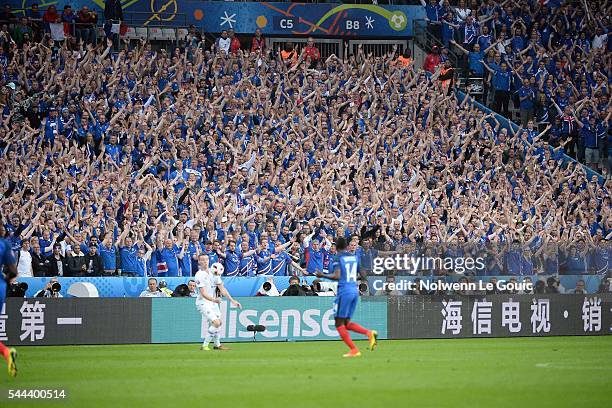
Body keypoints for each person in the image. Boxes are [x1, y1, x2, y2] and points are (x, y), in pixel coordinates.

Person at [316, 237, 378, 358]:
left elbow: (337, 276)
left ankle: (354, 349)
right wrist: (353, 279)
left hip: (344, 292)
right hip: (354, 290)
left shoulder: (338, 257)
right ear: (346, 246)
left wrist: (322, 274)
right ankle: (369, 333)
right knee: (346, 323)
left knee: (338, 323)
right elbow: (364, 274)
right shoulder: (354, 257)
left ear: (337, 247)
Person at [194, 255, 242, 351]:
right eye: (202, 260)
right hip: (203, 302)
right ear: (199, 261)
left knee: (219, 322)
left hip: (213, 302)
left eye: (206, 259)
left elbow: (222, 289)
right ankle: (204, 345)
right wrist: (214, 300)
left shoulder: (214, 273)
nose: (205, 261)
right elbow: (203, 293)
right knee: (216, 322)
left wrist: (233, 301)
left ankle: (217, 345)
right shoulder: (199, 275)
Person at [0, 223, 18, 377]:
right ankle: (6, 352)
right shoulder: (4, 244)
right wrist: (4, 282)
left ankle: (6, 352)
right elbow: (13, 272)